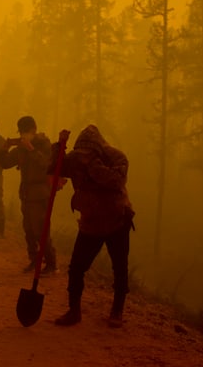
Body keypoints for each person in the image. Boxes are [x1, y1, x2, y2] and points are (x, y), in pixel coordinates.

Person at [51, 125, 135, 328]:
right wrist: (59, 147)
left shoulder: (116, 157)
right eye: (81, 154)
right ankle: (74, 311)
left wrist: (94, 167)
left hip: (117, 219)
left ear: (97, 150)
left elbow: (117, 181)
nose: (83, 157)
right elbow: (54, 168)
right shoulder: (74, 158)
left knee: (120, 268)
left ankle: (116, 311)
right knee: (77, 267)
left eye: (88, 153)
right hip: (90, 221)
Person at [0, 116, 57, 274]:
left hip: (40, 194)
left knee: (41, 230)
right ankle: (34, 260)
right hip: (26, 194)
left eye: (25, 131)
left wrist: (31, 149)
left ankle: (51, 264)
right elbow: (5, 163)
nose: (23, 135)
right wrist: (5, 148)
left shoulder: (44, 144)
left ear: (33, 130)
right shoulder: (21, 149)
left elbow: (47, 164)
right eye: (21, 132)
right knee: (29, 230)